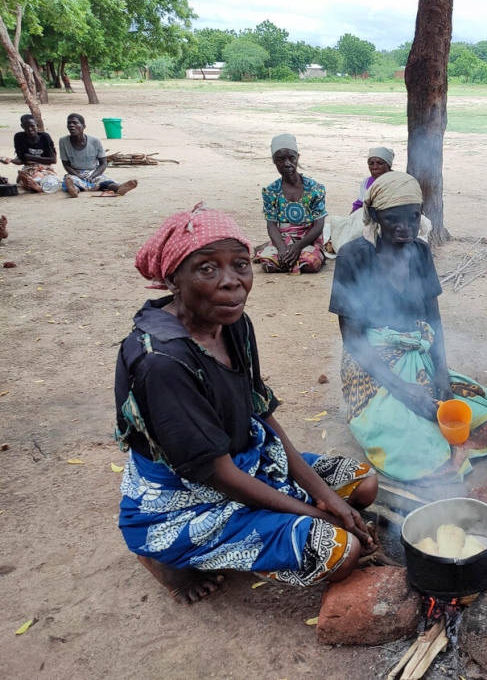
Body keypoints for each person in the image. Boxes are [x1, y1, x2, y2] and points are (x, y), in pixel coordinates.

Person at [115, 203, 377, 604]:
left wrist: (326, 496)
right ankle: (166, 556)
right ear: (173, 279)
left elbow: (261, 413)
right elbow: (216, 474)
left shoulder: (232, 322)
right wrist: (316, 512)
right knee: (339, 552)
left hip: (248, 458)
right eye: (207, 268)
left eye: (240, 264)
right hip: (188, 498)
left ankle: (278, 519)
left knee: (363, 483)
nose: (231, 282)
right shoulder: (161, 362)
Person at [329, 171, 487, 482]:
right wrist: (404, 391)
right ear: (373, 216)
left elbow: (434, 319)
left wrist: (440, 375)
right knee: (414, 441)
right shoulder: (353, 256)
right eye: (393, 220)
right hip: (371, 366)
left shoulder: (420, 251)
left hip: (418, 357)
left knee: (484, 419)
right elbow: (353, 339)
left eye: (413, 218)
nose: (405, 228)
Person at [252, 134, 327, 274]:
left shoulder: (315, 189)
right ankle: (275, 250)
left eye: (291, 158)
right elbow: (271, 224)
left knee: (309, 263)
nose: (287, 163)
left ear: (298, 157)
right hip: (284, 239)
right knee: (270, 264)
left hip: (308, 240)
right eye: (280, 159)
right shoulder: (270, 191)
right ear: (274, 161)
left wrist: (298, 246)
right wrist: (282, 249)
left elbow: (318, 225)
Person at [60, 113, 137, 197]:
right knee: (70, 181)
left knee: (105, 182)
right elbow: (66, 164)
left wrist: (93, 175)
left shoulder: (95, 141)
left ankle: (119, 188)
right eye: (69, 123)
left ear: (83, 126)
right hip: (75, 173)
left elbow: (103, 163)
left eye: (75, 123)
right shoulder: (63, 141)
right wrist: (77, 175)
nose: (71, 125)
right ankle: (74, 190)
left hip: (94, 172)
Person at [0, 115, 60, 193]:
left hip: (45, 167)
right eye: (26, 127)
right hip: (29, 168)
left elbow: (53, 160)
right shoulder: (19, 137)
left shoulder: (45, 137)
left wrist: (29, 157)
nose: (30, 129)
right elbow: (22, 160)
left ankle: (35, 186)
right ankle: (34, 184)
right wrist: (10, 160)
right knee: (32, 177)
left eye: (32, 126)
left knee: (45, 177)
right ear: (22, 126)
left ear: (37, 125)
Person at [352, 146, 393, 213]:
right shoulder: (366, 182)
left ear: (388, 165)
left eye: (379, 163)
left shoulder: (397, 181)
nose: (375, 167)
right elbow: (359, 204)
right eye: (371, 163)